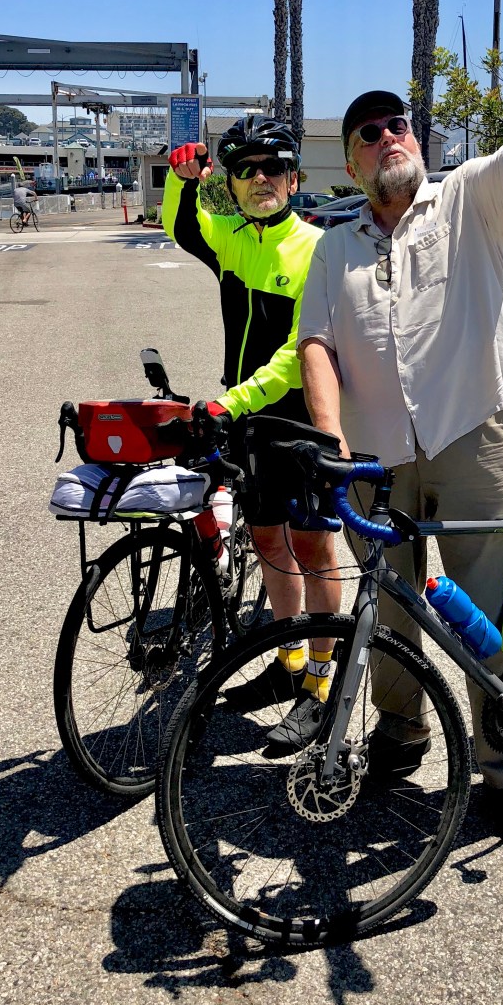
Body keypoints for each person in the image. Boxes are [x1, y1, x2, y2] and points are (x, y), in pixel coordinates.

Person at [298, 52, 503, 844]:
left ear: (416, 139)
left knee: (493, 609)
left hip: (472, 431)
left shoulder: (468, 199)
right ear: (351, 163)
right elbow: (316, 344)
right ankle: (401, 729)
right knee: (386, 608)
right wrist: (331, 439)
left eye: (397, 124)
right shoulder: (334, 247)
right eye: (368, 133)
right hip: (373, 456)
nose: (387, 136)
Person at [162, 116, 341, 748]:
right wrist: (183, 179)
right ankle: (288, 662)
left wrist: (232, 402)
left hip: (300, 419)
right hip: (246, 422)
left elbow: (298, 354)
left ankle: (321, 682)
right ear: (233, 184)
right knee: (266, 537)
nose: (260, 178)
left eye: (272, 168)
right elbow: (182, 226)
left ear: (293, 178)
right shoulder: (233, 239)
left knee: (313, 547)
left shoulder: (317, 247)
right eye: (245, 170)